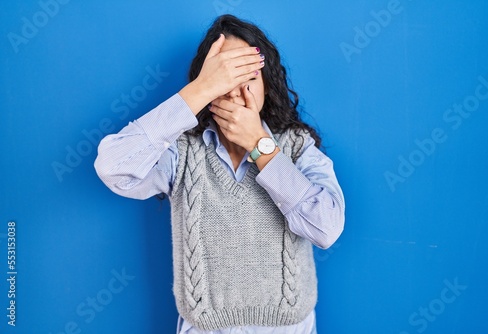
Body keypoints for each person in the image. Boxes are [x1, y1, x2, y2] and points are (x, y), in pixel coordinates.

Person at [95, 14, 345, 334]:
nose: (237, 94)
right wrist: (197, 92)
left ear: (267, 85)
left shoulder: (297, 146)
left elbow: (327, 228)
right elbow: (113, 168)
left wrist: (260, 144)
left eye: (249, 78)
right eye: (226, 79)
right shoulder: (182, 153)